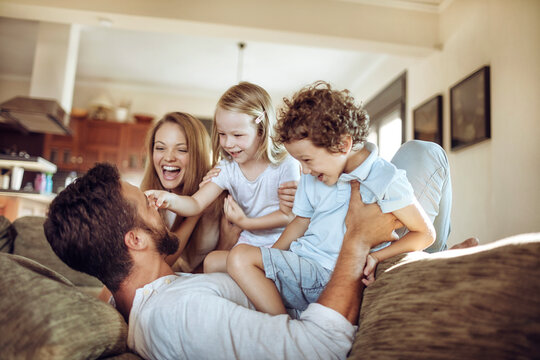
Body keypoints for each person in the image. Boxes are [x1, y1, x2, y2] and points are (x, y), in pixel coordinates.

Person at [44, 163, 398, 359]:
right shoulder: (182, 312)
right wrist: (357, 238)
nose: (158, 202)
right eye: (146, 204)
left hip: (318, 271)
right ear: (135, 240)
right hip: (342, 292)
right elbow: (320, 348)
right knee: (422, 155)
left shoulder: (143, 295)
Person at [227, 81, 443, 317]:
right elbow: (299, 222)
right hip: (303, 266)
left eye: (307, 160)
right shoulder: (315, 177)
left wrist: (376, 257)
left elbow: (425, 234)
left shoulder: (386, 178)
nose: (305, 171)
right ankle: (289, 313)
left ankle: (283, 326)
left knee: (239, 258)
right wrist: (272, 257)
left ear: (342, 144)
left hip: (333, 274)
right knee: (222, 260)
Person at [145, 82, 301, 273]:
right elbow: (195, 204)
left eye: (237, 134)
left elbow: (289, 217)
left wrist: (246, 223)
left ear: (262, 130)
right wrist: (169, 199)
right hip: (246, 249)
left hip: (281, 245)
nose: (228, 143)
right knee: (211, 262)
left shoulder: (287, 164)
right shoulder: (227, 168)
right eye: (222, 134)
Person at [139, 111, 220, 272]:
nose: (169, 157)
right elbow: (154, 265)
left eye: (182, 150)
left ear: (198, 154)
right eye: (160, 148)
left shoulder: (217, 196)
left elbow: (226, 252)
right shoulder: (147, 200)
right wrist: (196, 212)